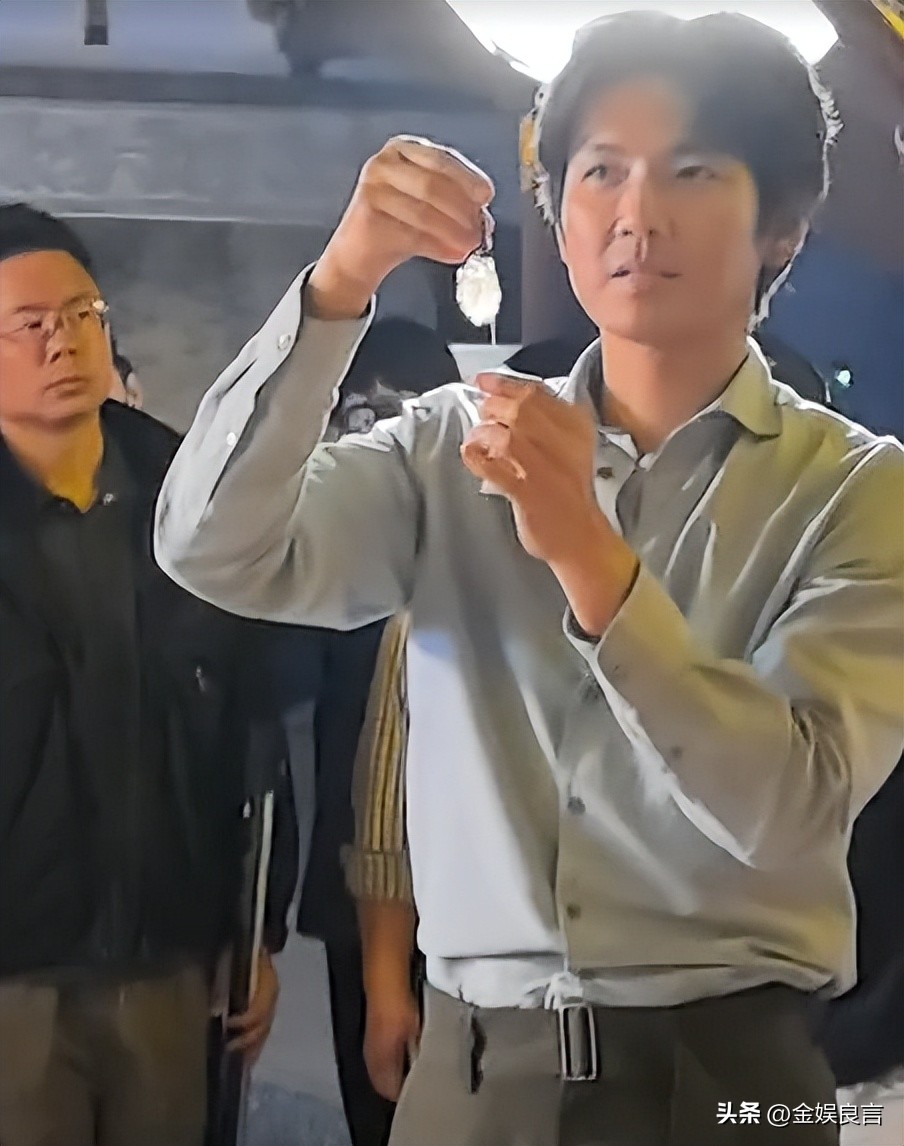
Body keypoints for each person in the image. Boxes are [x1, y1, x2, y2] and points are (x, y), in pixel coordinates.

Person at [155, 11, 904, 1145]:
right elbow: (212, 547)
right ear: (555, 211)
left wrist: (591, 558)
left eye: (692, 172)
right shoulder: (452, 443)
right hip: (472, 1070)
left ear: (783, 227)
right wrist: (339, 287)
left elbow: (793, 810)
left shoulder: (857, 489)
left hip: (727, 1069)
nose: (637, 213)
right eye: (600, 171)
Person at [0, 203, 290, 1146]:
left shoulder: (187, 499)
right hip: (13, 976)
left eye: (82, 314)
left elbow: (252, 727)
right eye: (30, 325)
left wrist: (256, 932)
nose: (63, 342)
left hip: (170, 956)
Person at [288, 318, 458, 1146]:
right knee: (381, 1105)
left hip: (483, 902)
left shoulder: (484, 549)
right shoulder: (332, 549)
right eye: (361, 419)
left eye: (405, 419)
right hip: (362, 879)